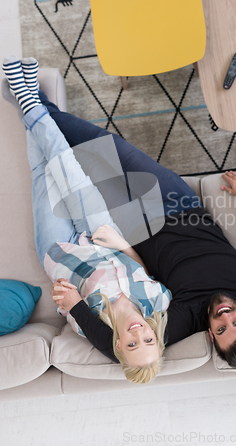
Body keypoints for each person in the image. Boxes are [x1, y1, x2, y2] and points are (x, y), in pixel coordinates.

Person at [2, 58, 236, 371]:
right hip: (178, 203)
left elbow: (118, 351)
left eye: (221, 330)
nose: (224, 315)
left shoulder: (182, 320)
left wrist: (78, 309)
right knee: (103, 142)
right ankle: (29, 100)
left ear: (210, 334)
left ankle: (27, 99)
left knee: (84, 156)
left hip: (129, 226)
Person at [2, 56, 172, 384]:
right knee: (66, 165)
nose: (139, 334)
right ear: (156, 336)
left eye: (133, 344)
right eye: (148, 341)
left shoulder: (89, 324)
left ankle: (27, 98)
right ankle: (27, 96)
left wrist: (66, 298)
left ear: (119, 347)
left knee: (42, 175)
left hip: (59, 249)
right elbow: (145, 270)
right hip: (100, 233)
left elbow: (64, 298)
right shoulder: (159, 302)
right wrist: (122, 244)